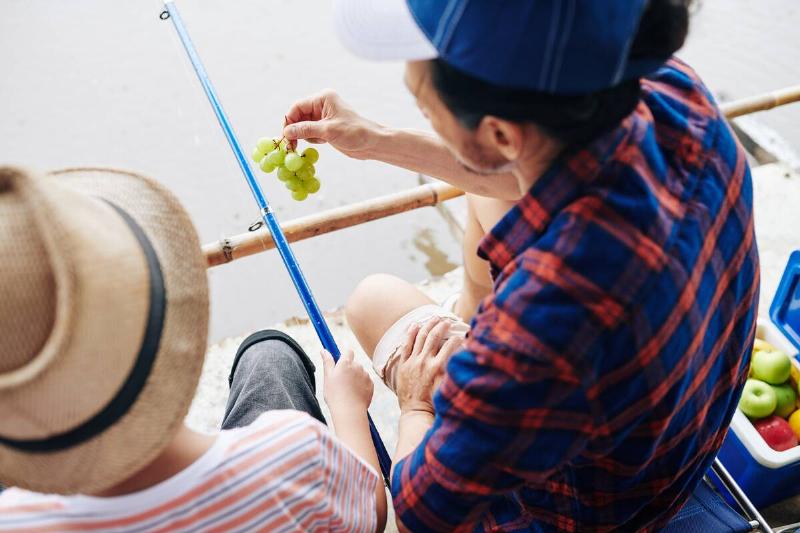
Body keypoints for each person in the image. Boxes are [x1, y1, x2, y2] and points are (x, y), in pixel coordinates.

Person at [282, 0, 760, 531]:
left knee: (371, 300)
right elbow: (514, 170)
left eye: (425, 108)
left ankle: (462, 374)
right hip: (671, 450)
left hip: (589, 515)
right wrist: (374, 140)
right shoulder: (674, 92)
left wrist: (417, 402)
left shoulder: (547, 316)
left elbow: (423, 510)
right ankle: (467, 346)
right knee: (480, 204)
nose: (424, 113)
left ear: (502, 136)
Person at [0, 166, 386, 532]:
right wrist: (348, 408)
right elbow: (370, 512)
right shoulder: (295, 456)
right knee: (269, 353)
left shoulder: (15, 519)